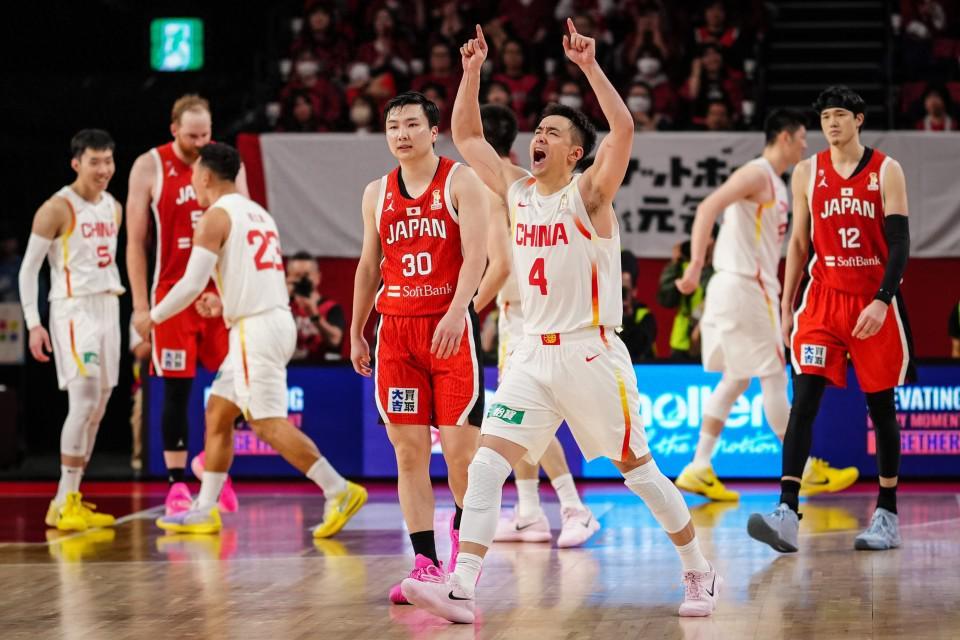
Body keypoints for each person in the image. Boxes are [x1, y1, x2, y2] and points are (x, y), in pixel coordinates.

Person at [402, 23, 720, 623]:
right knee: (487, 465)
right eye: (538, 131)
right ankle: (462, 587)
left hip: (590, 353)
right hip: (531, 355)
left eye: (553, 132)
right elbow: (466, 135)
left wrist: (590, 68)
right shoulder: (517, 191)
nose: (539, 138)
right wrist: (471, 71)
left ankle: (699, 569)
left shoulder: (589, 194)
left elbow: (622, 130)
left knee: (640, 474)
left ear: (575, 154)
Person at [135, 143, 367, 536]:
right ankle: (204, 508)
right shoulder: (258, 213)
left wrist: (151, 317)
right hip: (271, 320)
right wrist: (223, 301)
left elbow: (190, 283)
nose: (193, 181)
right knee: (218, 412)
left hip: (254, 330)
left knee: (266, 423)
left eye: (195, 175)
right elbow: (253, 276)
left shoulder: (214, 217)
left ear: (206, 176)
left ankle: (338, 489)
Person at [748, 86, 915, 553]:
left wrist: (882, 300)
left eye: (841, 115)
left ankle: (887, 514)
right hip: (821, 300)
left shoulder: (887, 170)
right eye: (825, 117)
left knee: (881, 408)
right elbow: (799, 243)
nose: (832, 124)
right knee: (803, 402)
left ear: (859, 119)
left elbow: (900, 244)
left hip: (871, 300)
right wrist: (786, 306)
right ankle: (786, 511)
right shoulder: (807, 171)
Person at [673, 109, 859, 502]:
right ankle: (804, 469)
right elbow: (707, 207)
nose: (806, 145)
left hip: (735, 289)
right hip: (745, 288)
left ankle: (698, 466)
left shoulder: (775, 183)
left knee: (737, 379)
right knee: (774, 374)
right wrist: (694, 265)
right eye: (802, 138)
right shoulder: (757, 174)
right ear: (785, 137)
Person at [350, 91, 487, 603]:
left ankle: (464, 548)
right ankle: (425, 562)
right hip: (397, 335)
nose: (401, 134)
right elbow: (369, 265)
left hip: (449, 332)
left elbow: (478, 255)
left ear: (433, 132)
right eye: (393, 126)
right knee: (408, 454)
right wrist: (356, 328)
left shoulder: (461, 180)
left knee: (460, 457)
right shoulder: (375, 192)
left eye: (411, 124)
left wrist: (457, 310)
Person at [473, 103, 599, 548]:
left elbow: (502, 265)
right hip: (522, 314)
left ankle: (573, 507)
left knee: (525, 419)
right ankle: (529, 512)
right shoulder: (521, 182)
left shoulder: (501, 187)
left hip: (537, 317)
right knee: (515, 419)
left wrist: (465, 312)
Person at [126, 95, 237, 515]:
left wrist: (225, 294)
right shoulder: (149, 165)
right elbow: (136, 242)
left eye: (206, 134)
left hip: (216, 296)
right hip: (172, 294)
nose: (200, 143)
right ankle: (176, 484)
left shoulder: (223, 162)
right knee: (176, 389)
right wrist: (141, 307)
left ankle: (211, 465)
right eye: (192, 136)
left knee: (237, 386)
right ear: (174, 130)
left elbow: (242, 227)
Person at [18, 129, 123, 531]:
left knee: (100, 405)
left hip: (108, 305)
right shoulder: (56, 208)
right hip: (74, 309)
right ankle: (66, 500)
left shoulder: (113, 207)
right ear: (76, 163)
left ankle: (67, 499)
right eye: (95, 162)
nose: (103, 169)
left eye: (108, 161)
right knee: (83, 401)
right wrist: (34, 323)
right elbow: (29, 270)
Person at [658, 239, 712, 361]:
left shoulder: (718, 271)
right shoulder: (682, 269)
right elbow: (666, 300)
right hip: (681, 340)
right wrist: (675, 263)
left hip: (707, 339)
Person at [286, 252, 345, 362]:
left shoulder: (331, 308)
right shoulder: (283, 307)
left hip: (320, 368)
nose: (302, 280)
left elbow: (335, 341)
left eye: (306, 275)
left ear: (317, 277)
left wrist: (314, 314)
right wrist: (284, 299)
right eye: (297, 276)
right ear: (288, 278)